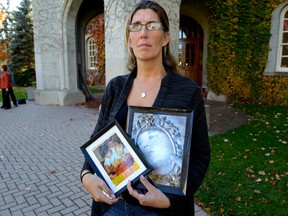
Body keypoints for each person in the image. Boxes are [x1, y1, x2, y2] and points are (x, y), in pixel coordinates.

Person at [81, 1, 210, 215]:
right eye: (136, 26)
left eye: (152, 25)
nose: (143, 33)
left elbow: (201, 154)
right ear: (129, 39)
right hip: (113, 206)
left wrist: (170, 200)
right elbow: (98, 141)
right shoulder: (115, 87)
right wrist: (86, 176)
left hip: (161, 208)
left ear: (166, 37)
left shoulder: (187, 91)